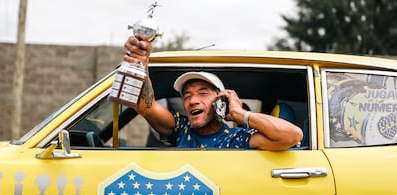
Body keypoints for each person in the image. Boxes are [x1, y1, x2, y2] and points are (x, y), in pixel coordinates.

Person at [122, 36, 303, 151]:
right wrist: (140, 63)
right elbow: (145, 106)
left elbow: (293, 136)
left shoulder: (235, 139)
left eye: (203, 93)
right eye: (187, 95)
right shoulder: (180, 129)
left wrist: (240, 114)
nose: (193, 100)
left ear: (220, 102)